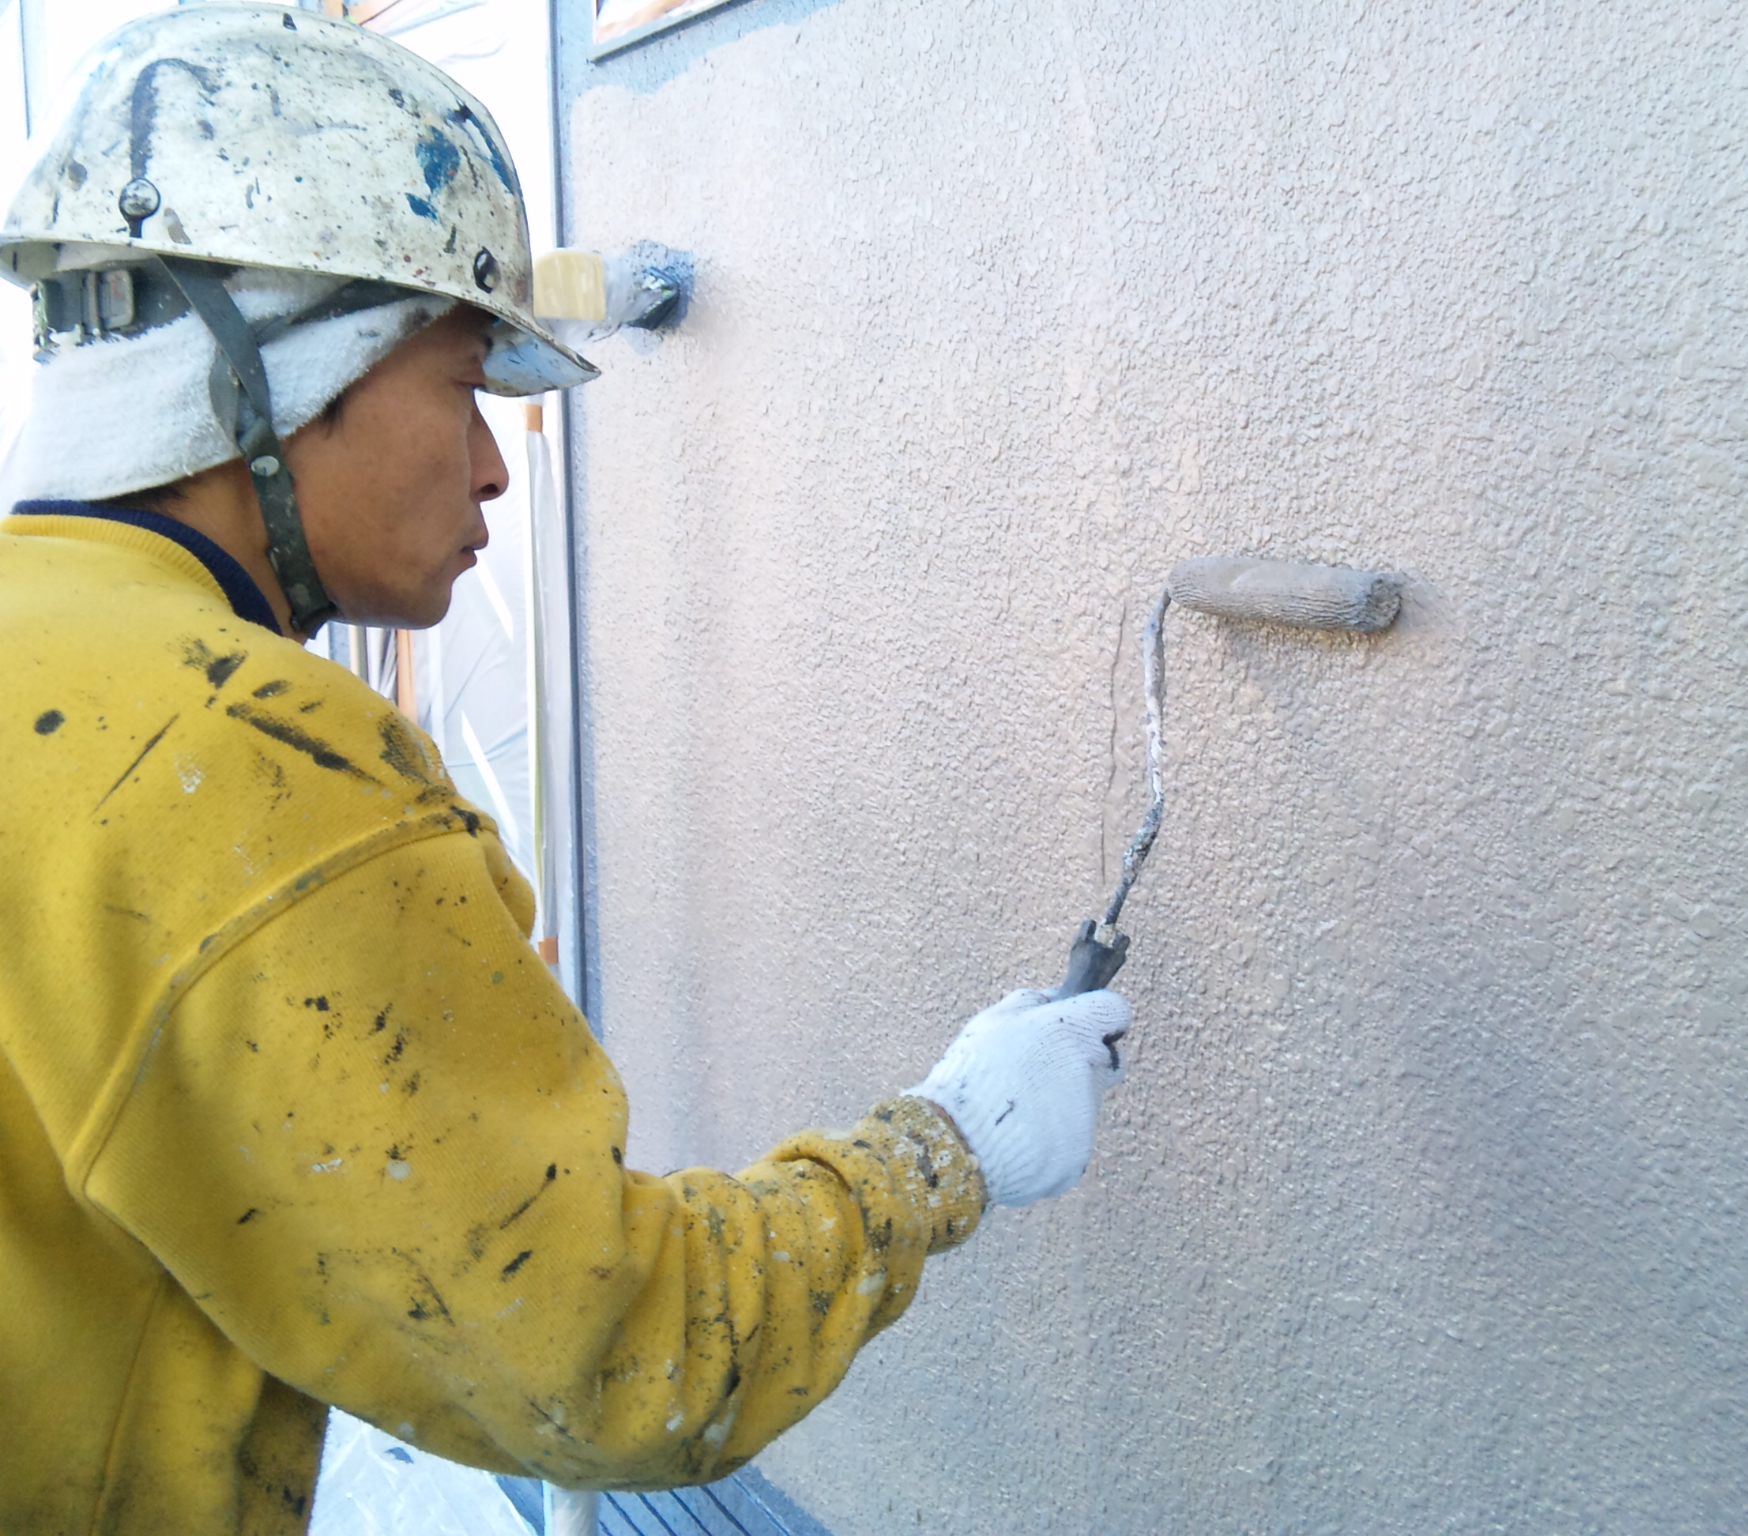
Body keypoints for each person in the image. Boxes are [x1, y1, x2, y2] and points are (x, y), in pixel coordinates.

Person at [0, 8, 1132, 1532]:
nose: (491, 467)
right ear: (285, 363)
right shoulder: (243, 762)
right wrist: (948, 1147)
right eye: (466, 382)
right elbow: (616, 1358)